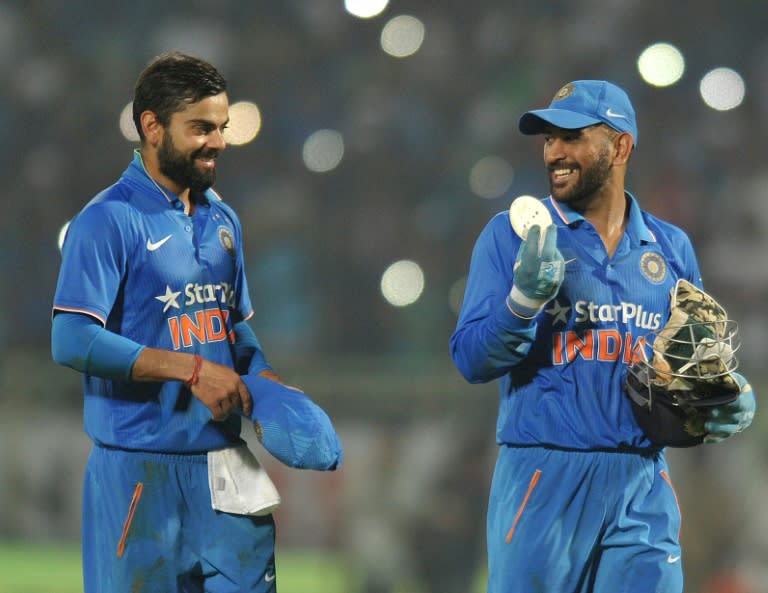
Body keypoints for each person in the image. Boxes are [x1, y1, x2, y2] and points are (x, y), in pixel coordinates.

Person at [51, 52, 343, 593]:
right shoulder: (108, 220)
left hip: (226, 468)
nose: (218, 142)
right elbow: (70, 339)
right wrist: (191, 371)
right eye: (201, 128)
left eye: (222, 127)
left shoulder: (223, 219)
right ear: (151, 126)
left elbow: (231, 329)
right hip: (139, 474)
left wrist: (263, 375)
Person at [449, 80, 756, 593]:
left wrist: (725, 397)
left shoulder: (671, 246)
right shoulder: (513, 233)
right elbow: (470, 359)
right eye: (548, 139)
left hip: (642, 482)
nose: (555, 153)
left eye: (571, 137)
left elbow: (691, 363)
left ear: (620, 146)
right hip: (542, 479)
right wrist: (521, 304)